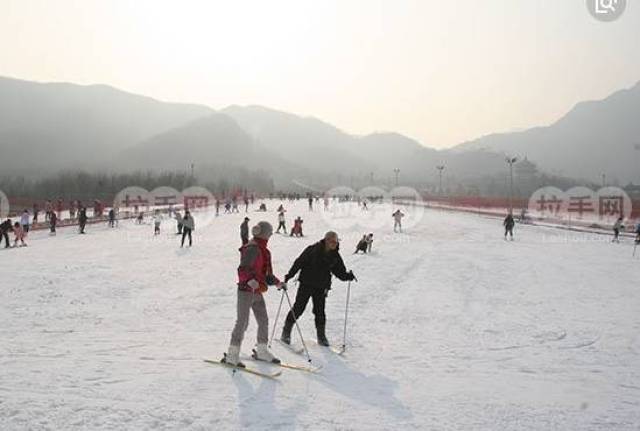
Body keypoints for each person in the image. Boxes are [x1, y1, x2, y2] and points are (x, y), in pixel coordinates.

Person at [223, 221, 284, 367]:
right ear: (263, 233)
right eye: (269, 232)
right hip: (246, 290)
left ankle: (262, 350)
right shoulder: (252, 248)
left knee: (263, 320)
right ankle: (232, 354)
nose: (270, 235)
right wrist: (249, 280)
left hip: (257, 290)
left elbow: (267, 274)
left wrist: (278, 283)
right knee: (242, 322)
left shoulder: (264, 250)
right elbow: (243, 269)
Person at [280, 231, 356, 346]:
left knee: (320, 312)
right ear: (326, 240)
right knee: (299, 308)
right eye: (332, 241)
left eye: (336, 242)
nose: (334, 244)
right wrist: (289, 276)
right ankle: (286, 331)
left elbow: (339, 272)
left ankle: (321, 336)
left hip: (321, 287)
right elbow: (299, 262)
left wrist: (347, 276)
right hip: (306, 283)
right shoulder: (312, 250)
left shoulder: (335, 256)